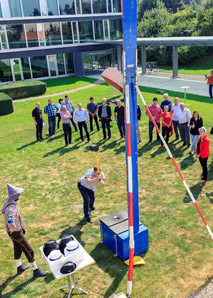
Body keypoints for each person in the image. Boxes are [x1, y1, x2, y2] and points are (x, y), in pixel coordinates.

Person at [1, 184, 49, 277]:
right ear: (15, 196)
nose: (19, 196)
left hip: (13, 233)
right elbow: (10, 217)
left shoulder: (7, 202)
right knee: (29, 250)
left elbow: (2, 211)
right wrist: (12, 225)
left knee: (17, 247)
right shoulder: (11, 208)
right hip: (16, 233)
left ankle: (19, 267)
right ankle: (36, 270)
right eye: (18, 194)